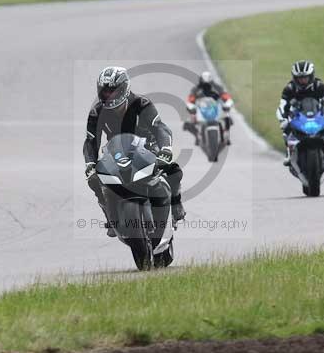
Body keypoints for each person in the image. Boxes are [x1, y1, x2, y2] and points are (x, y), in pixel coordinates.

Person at [84, 66, 186, 237]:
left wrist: (165, 149)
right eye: (104, 92)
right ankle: (109, 216)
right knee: (94, 180)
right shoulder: (97, 112)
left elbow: (160, 128)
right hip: (116, 152)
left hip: (148, 147)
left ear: (124, 88)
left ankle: (176, 205)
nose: (108, 96)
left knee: (173, 170)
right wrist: (90, 164)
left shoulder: (142, 104)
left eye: (112, 91)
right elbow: (91, 141)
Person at [275, 60, 324, 167]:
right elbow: (282, 106)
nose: (302, 81)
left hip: (317, 115)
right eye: (299, 78)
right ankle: (289, 153)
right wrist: (283, 119)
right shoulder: (289, 88)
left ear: (311, 76)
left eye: (305, 78)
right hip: (297, 117)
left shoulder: (320, 86)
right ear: (294, 78)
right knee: (285, 129)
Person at [183, 71, 234, 145]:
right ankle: (197, 135)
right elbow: (190, 100)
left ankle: (226, 135)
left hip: (216, 107)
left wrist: (227, 104)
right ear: (201, 82)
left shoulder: (218, 88)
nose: (206, 86)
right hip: (201, 108)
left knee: (228, 118)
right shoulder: (196, 89)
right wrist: (191, 107)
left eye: (208, 84)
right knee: (188, 122)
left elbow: (226, 97)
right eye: (204, 84)